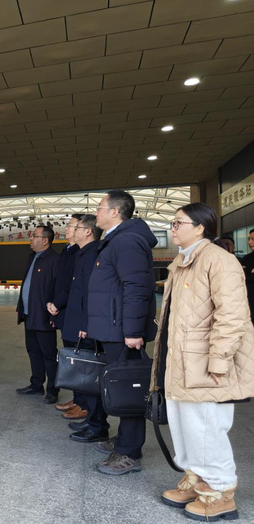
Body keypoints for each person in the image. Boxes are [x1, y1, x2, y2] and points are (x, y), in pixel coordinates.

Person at [151, 203, 254, 521]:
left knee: (207, 427)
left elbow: (232, 316)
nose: (173, 228)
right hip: (181, 360)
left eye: (179, 223)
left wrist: (220, 361)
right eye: (172, 222)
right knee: (185, 425)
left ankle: (220, 491)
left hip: (207, 363)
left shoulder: (219, 260)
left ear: (200, 227)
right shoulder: (182, 261)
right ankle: (196, 478)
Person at [87, 190, 158, 475]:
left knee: (129, 389)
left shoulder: (126, 241)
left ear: (115, 212)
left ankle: (129, 452)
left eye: (100, 207)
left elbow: (137, 288)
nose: (96, 212)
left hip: (122, 331)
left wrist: (133, 330)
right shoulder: (117, 239)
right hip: (114, 327)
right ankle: (125, 440)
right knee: (121, 387)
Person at [63, 214, 105, 442]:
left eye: (77, 227)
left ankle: (97, 426)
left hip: (84, 327)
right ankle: (91, 419)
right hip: (77, 322)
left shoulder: (91, 255)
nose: (73, 230)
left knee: (90, 377)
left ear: (88, 231)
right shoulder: (82, 253)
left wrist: (86, 323)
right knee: (83, 376)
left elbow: (91, 293)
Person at [47, 214, 86, 420]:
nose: (67, 228)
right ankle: (77, 398)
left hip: (73, 312)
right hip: (63, 311)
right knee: (71, 358)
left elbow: (73, 285)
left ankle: (83, 403)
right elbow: (59, 282)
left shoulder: (81, 253)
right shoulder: (68, 250)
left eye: (71, 225)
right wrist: (53, 304)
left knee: (80, 359)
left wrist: (58, 303)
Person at [16, 226, 60, 404]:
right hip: (29, 314)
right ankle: (36, 384)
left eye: (35, 236)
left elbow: (57, 289)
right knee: (33, 351)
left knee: (49, 354)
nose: (31, 239)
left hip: (44, 316)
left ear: (45, 240)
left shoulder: (54, 260)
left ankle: (53, 390)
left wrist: (54, 315)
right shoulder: (32, 257)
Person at [240, 229, 254, 324]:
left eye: (253, 239)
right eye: (249, 239)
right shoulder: (247, 258)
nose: (249, 242)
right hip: (250, 304)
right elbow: (242, 277)